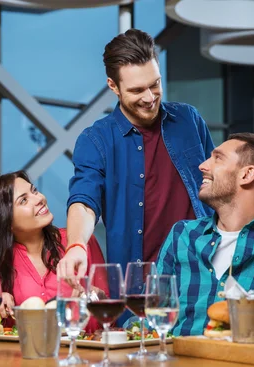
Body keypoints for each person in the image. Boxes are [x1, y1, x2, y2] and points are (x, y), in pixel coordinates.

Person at [58, 28, 215, 279]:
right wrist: (76, 245)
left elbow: (218, 185)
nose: (150, 97)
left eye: (155, 84)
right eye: (137, 90)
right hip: (140, 286)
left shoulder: (188, 120)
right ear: (114, 86)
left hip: (204, 273)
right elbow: (84, 202)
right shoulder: (95, 140)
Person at [157, 133, 254, 336]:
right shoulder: (182, 235)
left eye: (218, 158)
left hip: (252, 366)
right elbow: (153, 314)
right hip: (178, 365)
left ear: (247, 174)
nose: (203, 165)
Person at [0, 171, 106, 325]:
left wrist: (94, 296)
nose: (39, 198)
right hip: (20, 349)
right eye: (23, 200)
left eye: (34, 191)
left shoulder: (79, 242)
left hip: (83, 346)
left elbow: (109, 308)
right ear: (5, 221)